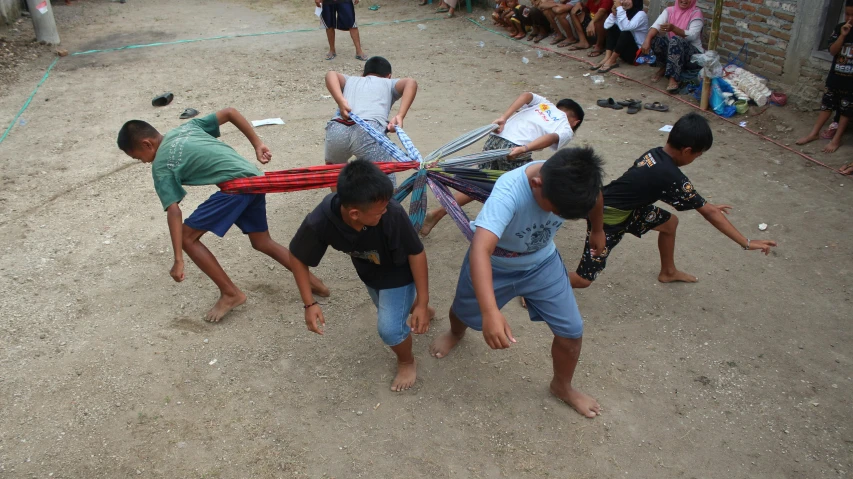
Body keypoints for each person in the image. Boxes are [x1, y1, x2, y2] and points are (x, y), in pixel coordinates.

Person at [428, 147, 606, 418]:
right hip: (495, 264)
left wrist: (598, 228)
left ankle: (562, 386)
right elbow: (480, 251)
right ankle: (456, 333)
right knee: (463, 311)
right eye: (555, 210)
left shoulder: (575, 181)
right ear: (537, 184)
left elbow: (596, 198)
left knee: (572, 331)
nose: (556, 215)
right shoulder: (508, 192)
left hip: (542, 263)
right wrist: (490, 312)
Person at [116, 108, 329, 323]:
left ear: (146, 144)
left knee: (186, 237)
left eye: (138, 157)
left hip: (236, 188)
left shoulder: (162, 165)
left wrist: (178, 259)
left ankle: (231, 293)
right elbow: (229, 112)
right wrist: (257, 144)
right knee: (262, 241)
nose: (143, 162)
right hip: (254, 179)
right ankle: (314, 282)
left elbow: (173, 211)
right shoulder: (186, 128)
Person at [571, 113, 777, 289]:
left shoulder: (654, 154)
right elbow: (709, 213)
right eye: (697, 155)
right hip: (607, 217)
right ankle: (539, 282)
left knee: (669, 223)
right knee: (583, 280)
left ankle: (668, 272)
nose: (694, 159)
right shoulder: (672, 177)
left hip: (626, 208)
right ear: (687, 150)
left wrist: (708, 206)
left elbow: (699, 204)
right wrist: (746, 242)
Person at [288, 160, 433, 392]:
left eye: (386, 206)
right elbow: (297, 257)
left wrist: (424, 301)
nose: (385, 211)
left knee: (390, 329)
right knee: (390, 307)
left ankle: (407, 360)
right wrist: (309, 303)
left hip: (399, 272)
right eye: (379, 211)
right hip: (369, 273)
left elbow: (416, 253)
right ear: (354, 214)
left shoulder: (391, 213)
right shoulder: (322, 220)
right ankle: (416, 308)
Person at [420, 92, 584, 236]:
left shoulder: (544, 104)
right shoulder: (566, 126)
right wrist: (524, 148)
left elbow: (526, 95)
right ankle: (496, 228)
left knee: (483, 184)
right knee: (522, 189)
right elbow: (552, 137)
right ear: (575, 121)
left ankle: (438, 213)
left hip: (495, 140)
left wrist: (503, 117)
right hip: (514, 150)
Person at [324, 56, 418, 188]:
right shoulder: (389, 83)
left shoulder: (351, 80)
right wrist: (400, 115)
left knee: (334, 170)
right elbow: (411, 83)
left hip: (338, 127)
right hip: (370, 131)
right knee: (383, 181)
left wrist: (340, 100)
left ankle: (339, 202)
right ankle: (384, 206)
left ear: (362, 74)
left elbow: (330, 74)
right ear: (389, 76)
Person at [795, 2, 852, 159]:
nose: (850, 18)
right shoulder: (840, 28)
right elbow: (833, 51)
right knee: (826, 106)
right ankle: (814, 133)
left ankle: (836, 139)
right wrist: (843, 35)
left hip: (851, 83)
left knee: (846, 111)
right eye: (847, 14)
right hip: (836, 78)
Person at [640, 0, 704, 92]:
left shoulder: (696, 13)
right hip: (674, 49)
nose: (684, 1)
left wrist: (674, 28)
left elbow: (692, 36)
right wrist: (647, 40)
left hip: (693, 55)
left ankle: (673, 78)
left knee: (676, 40)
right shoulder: (669, 11)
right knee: (654, 39)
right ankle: (665, 66)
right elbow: (656, 26)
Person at [591, 0, 648, 73]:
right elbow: (606, 26)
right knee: (612, 27)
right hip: (622, 50)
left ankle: (612, 60)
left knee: (626, 32)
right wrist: (613, 14)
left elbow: (626, 28)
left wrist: (620, 9)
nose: (625, 2)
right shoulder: (623, 12)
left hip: (637, 55)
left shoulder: (641, 14)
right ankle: (607, 57)